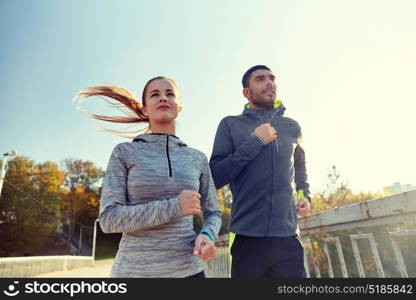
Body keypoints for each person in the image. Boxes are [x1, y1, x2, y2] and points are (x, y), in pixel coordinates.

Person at [75, 76, 222, 278]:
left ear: (180, 107)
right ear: (145, 109)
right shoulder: (125, 152)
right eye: (155, 94)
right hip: (134, 273)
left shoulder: (197, 158)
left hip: (190, 273)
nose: (163, 98)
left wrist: (207, 234)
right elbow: (109, 219)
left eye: (170, 94)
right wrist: (174, 207)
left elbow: (213, 212)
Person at [209, 65, 310, 278]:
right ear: (247, 92)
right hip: (247, 237)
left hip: (288, 237)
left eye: (272, 78)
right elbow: (215, 177)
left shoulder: (292, 126)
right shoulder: (230, 125)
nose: (269, 82)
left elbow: (299, 163)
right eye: (260, 78)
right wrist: (255, 141)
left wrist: (304, 195)